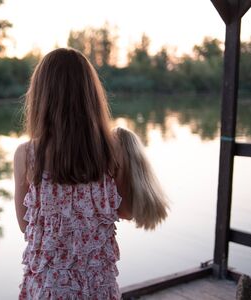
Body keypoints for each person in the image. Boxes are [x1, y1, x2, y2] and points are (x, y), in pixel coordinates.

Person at [13, 48, 168, 299]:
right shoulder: (113, 149)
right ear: (91, 94)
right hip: (96, 286)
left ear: (40, 96)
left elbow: (25, 224)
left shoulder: (27, 154)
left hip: (48, 287)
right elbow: (126, 211)